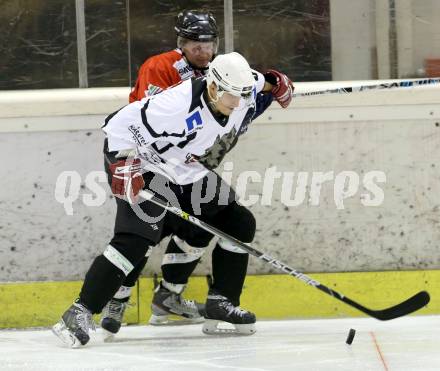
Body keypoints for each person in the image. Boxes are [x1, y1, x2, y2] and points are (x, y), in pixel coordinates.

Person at [52, 51, 294, 347]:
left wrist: (276, 83)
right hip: (148, 167)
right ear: (213, 86)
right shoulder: (175, 105)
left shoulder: (244, 87)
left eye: (242, 96)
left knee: (238, 222)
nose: (238, 103)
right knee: (138, 236)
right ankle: (79, 312)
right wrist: (120, 163)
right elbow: (117, 124)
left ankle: (222, 302)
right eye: (232, 96)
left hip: (188, 171)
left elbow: (263, 84)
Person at [98, 9, 275, 336]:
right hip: (154, 169)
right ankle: (117, 297)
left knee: (221, 223)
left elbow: (241, 106)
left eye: (208, 43)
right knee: (147, 232)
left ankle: (175, 296)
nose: (202, 50)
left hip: (192, 172)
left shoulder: (225, 69)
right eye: (195, 43)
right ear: (181, 42)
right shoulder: (161, 67)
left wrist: (270, 90)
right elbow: (142, 121)